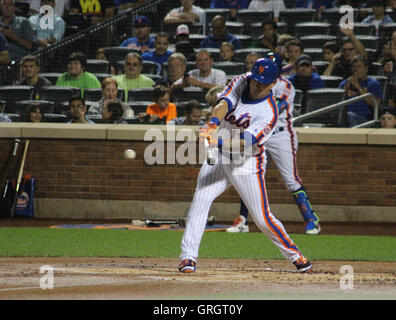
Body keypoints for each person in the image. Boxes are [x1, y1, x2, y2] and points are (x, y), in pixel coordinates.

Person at [178, 58, 313, 274]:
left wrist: (216, 141)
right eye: (255, 80)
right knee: (200, 199)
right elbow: (224, 104)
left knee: (262, 218)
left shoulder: (269, 112)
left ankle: (296, 255)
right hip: (221, 157)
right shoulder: (241, 81)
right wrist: (212, 123)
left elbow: (245, 143)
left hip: (247, 162)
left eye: (262, 83)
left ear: (271, 85)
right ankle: (188, 257)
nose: (256, 85)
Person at [226, 52, 321, 235]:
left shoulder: (285, 85)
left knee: (291, 180)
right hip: (257, 135)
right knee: (247, 174)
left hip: (280, 135)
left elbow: (276, 108)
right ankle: (243, 221)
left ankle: (312, 220)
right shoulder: (253, 84)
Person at [338, 55, 382, 127]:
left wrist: (358, 87)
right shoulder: (344, 83)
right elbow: (335, 103)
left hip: (365, 119)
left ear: (366, 69)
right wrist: (345, 88)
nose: (356, 69)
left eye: (359, 66)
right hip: (344, 118)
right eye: (354, 66)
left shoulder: (373, 84)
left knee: (349, 115)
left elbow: (376, 104)